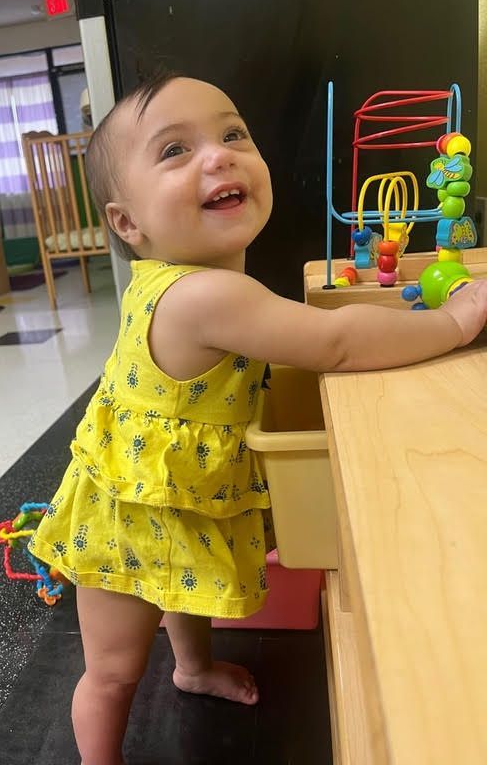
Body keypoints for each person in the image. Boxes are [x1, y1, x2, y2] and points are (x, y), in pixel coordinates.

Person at [28, 73, 487, 765]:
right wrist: (452, 324)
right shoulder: (204, 295)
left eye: (233, 133)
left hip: (171, 493)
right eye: (175, 150)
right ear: (129, 224)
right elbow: (334, 342)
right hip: (125, 513)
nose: (218, 156)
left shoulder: (195, 279)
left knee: (181, 587)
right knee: (114, 670)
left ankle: (191, 668)